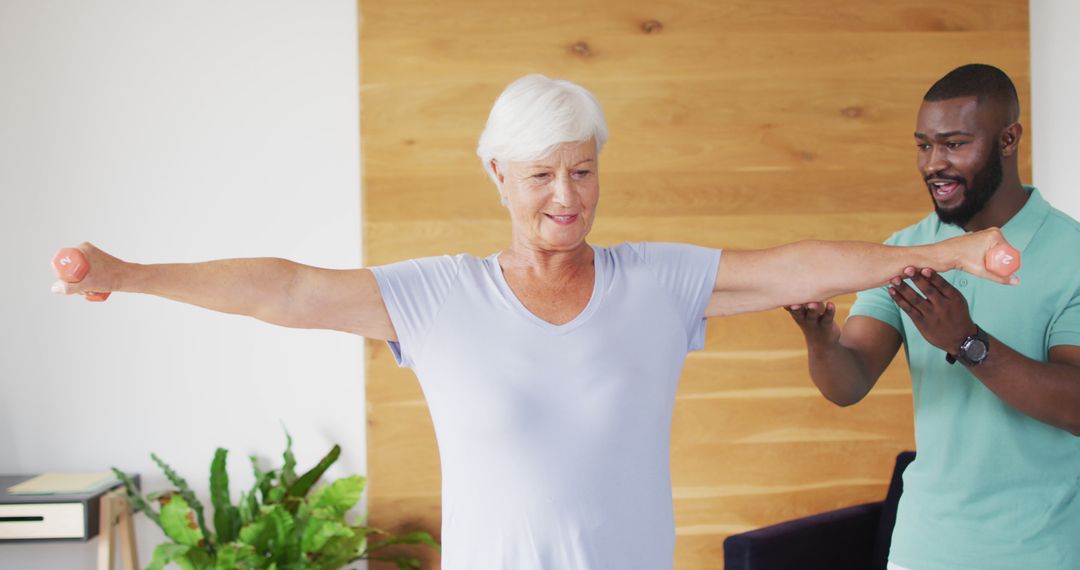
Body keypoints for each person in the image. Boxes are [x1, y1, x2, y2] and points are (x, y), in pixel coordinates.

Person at [55, 74, 1018, 570]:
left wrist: (943, 253)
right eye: (543, 172)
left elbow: (794, 266)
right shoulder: (437, 297)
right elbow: (289, 289)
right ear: (499, 176)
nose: (568, 194)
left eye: (584, 169)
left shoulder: (654, 281)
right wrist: (129, 274)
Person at [786, 64, 1080, 569]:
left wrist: (968, 342)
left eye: (954, 144)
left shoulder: (1072, 253)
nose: (933, 164)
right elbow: (848, 382)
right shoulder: (905, 250)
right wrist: (821, 339)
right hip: (922, 550)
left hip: (1039, 554)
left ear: (1008, 139)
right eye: (924, 145)